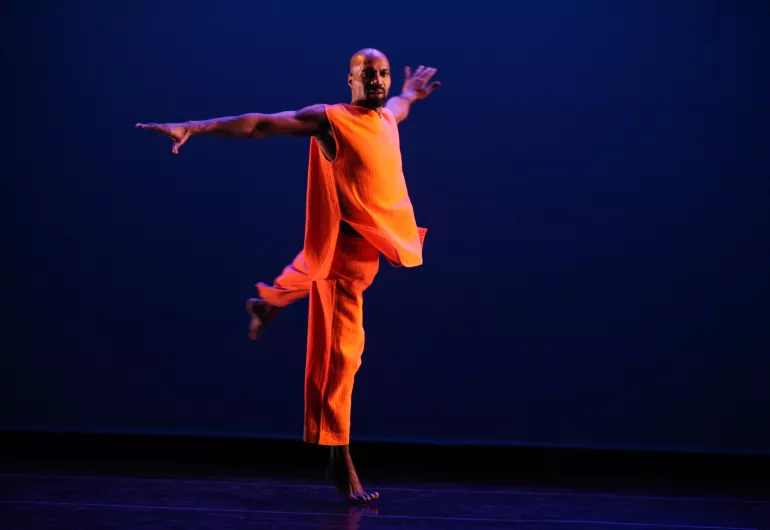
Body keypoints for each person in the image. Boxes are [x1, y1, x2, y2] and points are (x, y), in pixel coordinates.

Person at [136, 48, 440, 503]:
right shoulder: (330, 119)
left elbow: (397, 108)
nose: (378, 82)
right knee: (341, 357)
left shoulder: (385, 120)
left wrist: (409, 95)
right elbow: (260, 123)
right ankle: (338, 458)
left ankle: (267, 300)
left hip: (361, 248)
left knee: (308, 267)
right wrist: (195, 128)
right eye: (367, 74)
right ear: (350, 80)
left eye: (384, 74)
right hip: (343, 262)